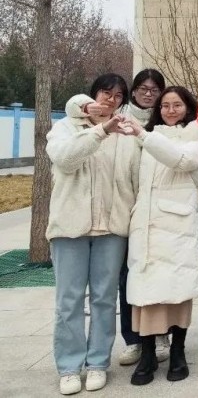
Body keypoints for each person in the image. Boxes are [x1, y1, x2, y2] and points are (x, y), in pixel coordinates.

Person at [65, 69, 171, 365]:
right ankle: (134, 340)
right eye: (143, 88)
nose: (148, 94)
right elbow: (76, 105)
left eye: (155, 89)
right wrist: (86, 105)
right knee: (126, 279)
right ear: (132, 92)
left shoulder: (166, 119)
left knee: (157, 274)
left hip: (155, 210)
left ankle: (160, 334)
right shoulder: (117, 118)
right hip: (124, 213)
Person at [46, 74, 141, 395]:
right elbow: (65, 160)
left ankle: (98, 362)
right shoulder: (65, 128)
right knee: (69, 300)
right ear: (92, 95)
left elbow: (134, 181)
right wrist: (101, 131)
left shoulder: (126, 135)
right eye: (106, 92)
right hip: (69, 228)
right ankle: (70, 367)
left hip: (112, 230)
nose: (111, 99)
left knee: (104, 299)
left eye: (118, 95)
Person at [121, 86, 198, 385]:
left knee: (179, 292)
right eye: (165, 105)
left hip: (179, 228)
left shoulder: (195, 134)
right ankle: (147, 354)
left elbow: (183, 160)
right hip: (146, 225)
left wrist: (144, 136)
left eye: (177, 105)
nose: (171, 110)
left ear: (188, 108)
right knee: (145, 296)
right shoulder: (146, 136)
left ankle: (178, 351)